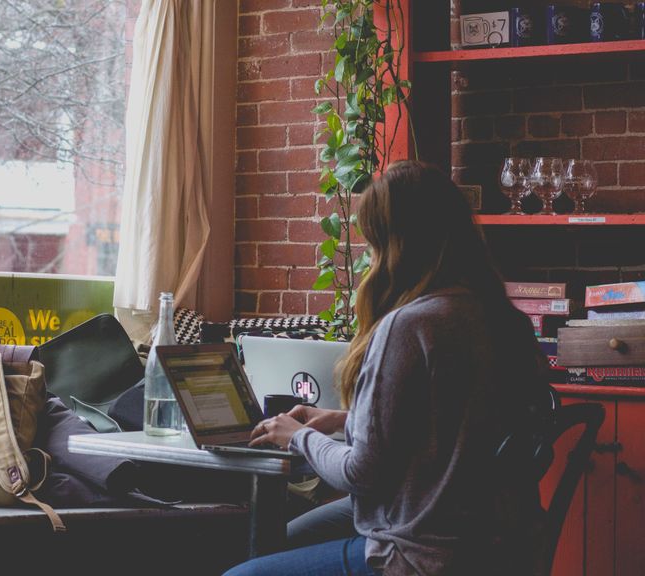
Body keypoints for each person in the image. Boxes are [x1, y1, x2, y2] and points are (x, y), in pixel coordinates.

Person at [224, 161, 548, 576]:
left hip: (421, 551)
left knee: (241, 572)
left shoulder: (411, 325)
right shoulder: (504, 319)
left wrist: (298, 437)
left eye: (373, 240)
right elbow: (451, 426)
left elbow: (360, 473)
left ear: (396, 244)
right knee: (277, 540)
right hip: (495, 543)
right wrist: (342, 420)